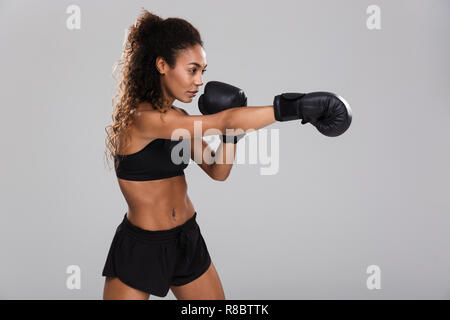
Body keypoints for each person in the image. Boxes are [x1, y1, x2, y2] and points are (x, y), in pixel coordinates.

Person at [102, 9, 351, 300]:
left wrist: (231, 135)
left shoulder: (178, 116)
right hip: (143, 247)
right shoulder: (141, 120)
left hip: (186, 238)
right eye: (192, 69)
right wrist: (294, 108)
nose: (199, 81)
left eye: (202, 72)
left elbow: (218, 170)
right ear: (161, 65)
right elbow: (224, 120)